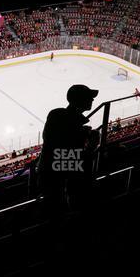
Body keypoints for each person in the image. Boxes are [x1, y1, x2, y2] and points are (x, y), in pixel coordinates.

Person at [37, 84, 99, 216]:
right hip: (57, 176)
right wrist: (90, 147)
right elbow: (68, 157)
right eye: (89, 98)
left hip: (49, 171)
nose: (93, 100)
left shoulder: (56, 115)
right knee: (58, 209)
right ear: (80, 101)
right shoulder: (71, 123)